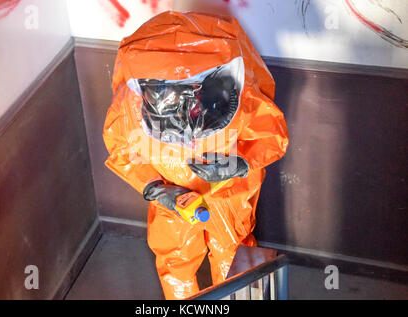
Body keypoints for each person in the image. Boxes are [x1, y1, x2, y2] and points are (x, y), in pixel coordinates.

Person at [103, 11, 289, 300]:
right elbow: (122, 149)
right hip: (175, 196)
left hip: (227, 195)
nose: (187, 116)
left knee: (235, 259)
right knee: (176, 260)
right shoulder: (133, 106)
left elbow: (270, 136)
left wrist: (238, 166)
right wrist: (156, 189)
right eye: (171, 97)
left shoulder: (240, 96)